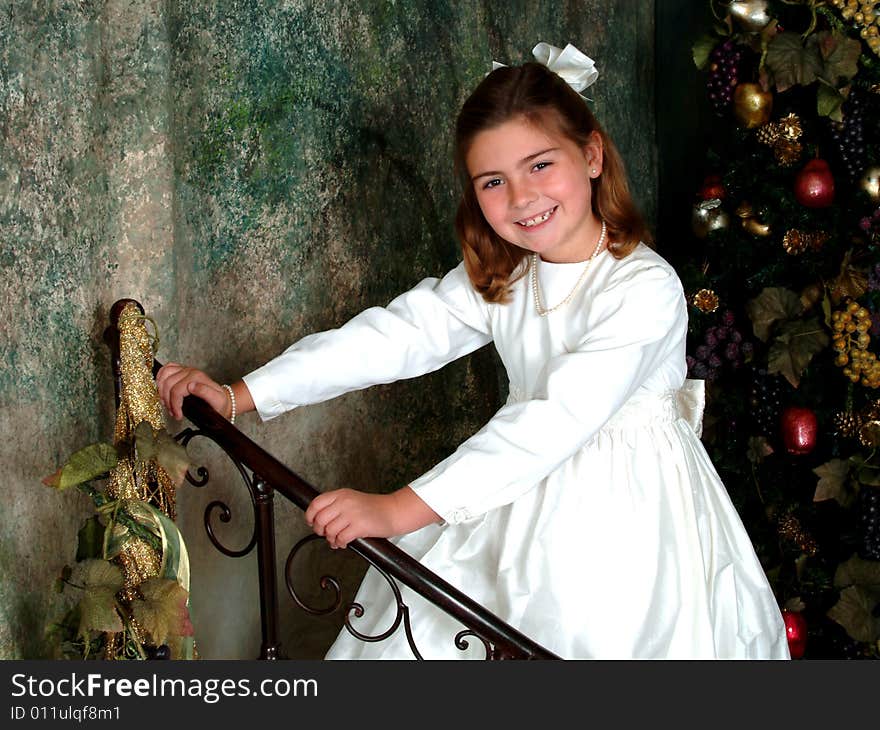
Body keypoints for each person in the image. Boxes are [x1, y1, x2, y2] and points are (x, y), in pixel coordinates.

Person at [157, 43, 790, 659]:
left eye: (541, 165)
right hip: (510, 495)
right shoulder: (509, 271)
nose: (521, 197)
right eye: (494, 180)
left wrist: (397, 509)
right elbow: (395, 337)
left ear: (592, 155)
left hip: (628, 525)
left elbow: (555, 421)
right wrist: (240, 394)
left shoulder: (645, 287)